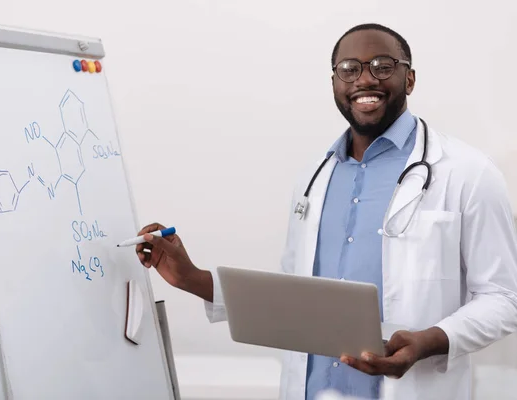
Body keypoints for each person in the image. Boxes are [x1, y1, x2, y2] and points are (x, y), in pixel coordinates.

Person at [134, 23, 517, 400]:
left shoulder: (468, 172)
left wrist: (430, 341)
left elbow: (504, 298)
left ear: (410, 79)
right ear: (335, 82)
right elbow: (293, 297)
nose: (364, 80)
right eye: (349, 69)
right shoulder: (313, 178)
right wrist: (191, 278)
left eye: (382, 66)